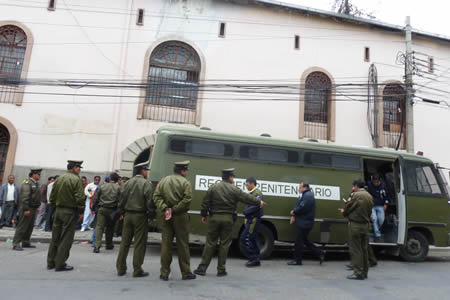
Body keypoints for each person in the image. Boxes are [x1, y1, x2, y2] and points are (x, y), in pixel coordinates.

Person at [194, 168, 264, 277]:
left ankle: (202, 268)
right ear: (230, 178)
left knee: (210, 243)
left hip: (214, 219)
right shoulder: (234, 189)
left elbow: (205, 202)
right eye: (233, 177)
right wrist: (259, 202)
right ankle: (221, 270)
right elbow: (246, 198)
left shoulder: (213, 187)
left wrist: (203, 215)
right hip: (228, 219)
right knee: (224, 244)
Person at [153, 161, 196, 281]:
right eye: (186, 170)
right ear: (183, 170)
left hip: (166, 216)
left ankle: (164, 273)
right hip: (180, 217)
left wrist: (165, 208)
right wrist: (174, 209)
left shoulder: (164, 180)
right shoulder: (185, 183)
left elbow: (156, 196)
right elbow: (187, 200)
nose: (186, 172)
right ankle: (186, 273)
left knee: (166, 245)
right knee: (182, 245)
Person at [116, 161, 154, 278]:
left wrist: (121, 212)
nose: (147, 173)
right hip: (140, 216)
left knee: (125, 243)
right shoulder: (146, 183)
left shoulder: (127, 183)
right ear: (142, 171)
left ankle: (120, 268)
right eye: (146, 170)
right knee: (139, 243)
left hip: (127, 215)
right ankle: (137, 269)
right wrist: (151, 215)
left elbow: (121, 198)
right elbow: (149, 201)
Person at [46, 161, 85, 272]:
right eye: (78, 167)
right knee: (66, 239)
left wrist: (54, 209)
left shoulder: (59, 179)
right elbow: (80, 198)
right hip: (69, 211)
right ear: (72, 168)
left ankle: (50, 262)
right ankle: (60, 263)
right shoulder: (76, 180)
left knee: (55, 237)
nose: (79, 169)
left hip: (58, 210)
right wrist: (81, 211)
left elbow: (52, 196)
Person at [339, 179, 373, 280]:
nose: (353, 188)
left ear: (357, 186)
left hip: (355, 225)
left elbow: (348, 207)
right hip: (365, 226)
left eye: (353, 186)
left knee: (356, 250)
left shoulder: (355, 195)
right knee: (364, 249)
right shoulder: (369, 196)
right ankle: (365, 272)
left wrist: (344, 212)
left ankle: (358, 273)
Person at [288, 182, 325, 266]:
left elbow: (302, 207)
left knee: (298, 242)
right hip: (304, 222)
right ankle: (320, 253)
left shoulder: (308, 196)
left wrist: (294, 212)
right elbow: (299, 205)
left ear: (305, 187)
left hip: (304, 223)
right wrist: (294, 214)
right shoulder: (305, 195)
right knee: (304, 241)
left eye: (300, 187)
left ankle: (297, 260)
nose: (299, 189)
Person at [12, 169, 42, 250]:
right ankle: (16, 243)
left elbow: (37, 197)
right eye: (38, 174)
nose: (39, 176)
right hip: (28, 208)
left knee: (29, 226)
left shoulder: (36, 183)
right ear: (33, 175)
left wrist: (38, 207)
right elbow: (25, 197)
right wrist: (26, 209)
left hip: (34, 208)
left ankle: (25, 242)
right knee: (22, 226)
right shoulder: (27, 183)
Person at [92, 173, 121, 253]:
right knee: (110, 228)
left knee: (99, 227)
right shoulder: (119, 188)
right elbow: (121, 200)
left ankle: (97, 246)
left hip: (102, 209)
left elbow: (96, 198)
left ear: (110, 178)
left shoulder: (102, 186)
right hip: (113, 210)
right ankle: (108, 244)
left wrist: (93, 207)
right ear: (116, 180)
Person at [240, 177, 264, 267]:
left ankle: (253, 258)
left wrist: (245, 212)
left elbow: (257, 205)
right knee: (253, 239)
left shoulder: (257, 193)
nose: (246, 186)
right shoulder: (252, 193)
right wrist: (246, 216)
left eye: (247, 184)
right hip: (251, 218)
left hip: (254, 219)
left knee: (246, 238)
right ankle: (256, 258)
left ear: (251, 184)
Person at [367, 175, 388, 241]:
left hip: (381, 205)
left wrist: (386, 204)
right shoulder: (369, 184)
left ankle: (375, 230)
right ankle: (377, 235)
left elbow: (387, 196)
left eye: (376, 182)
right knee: (374, 219)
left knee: (381, 220)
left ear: (379, 181)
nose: (375, 183)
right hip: (372, 205)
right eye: (374, 182)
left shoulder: (383, 186)